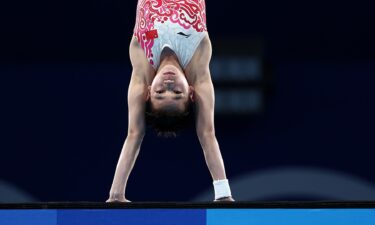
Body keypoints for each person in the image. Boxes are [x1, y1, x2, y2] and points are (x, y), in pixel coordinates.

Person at [106, 0, 234, 202]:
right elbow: (207, 133)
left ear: (147, 92)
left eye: (159, 92)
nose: (168, 84)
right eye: (177, 92)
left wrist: (116, 194)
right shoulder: (198, 64)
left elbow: (134, 133)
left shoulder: (142, 62)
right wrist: (223, 193)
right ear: (191, 93)